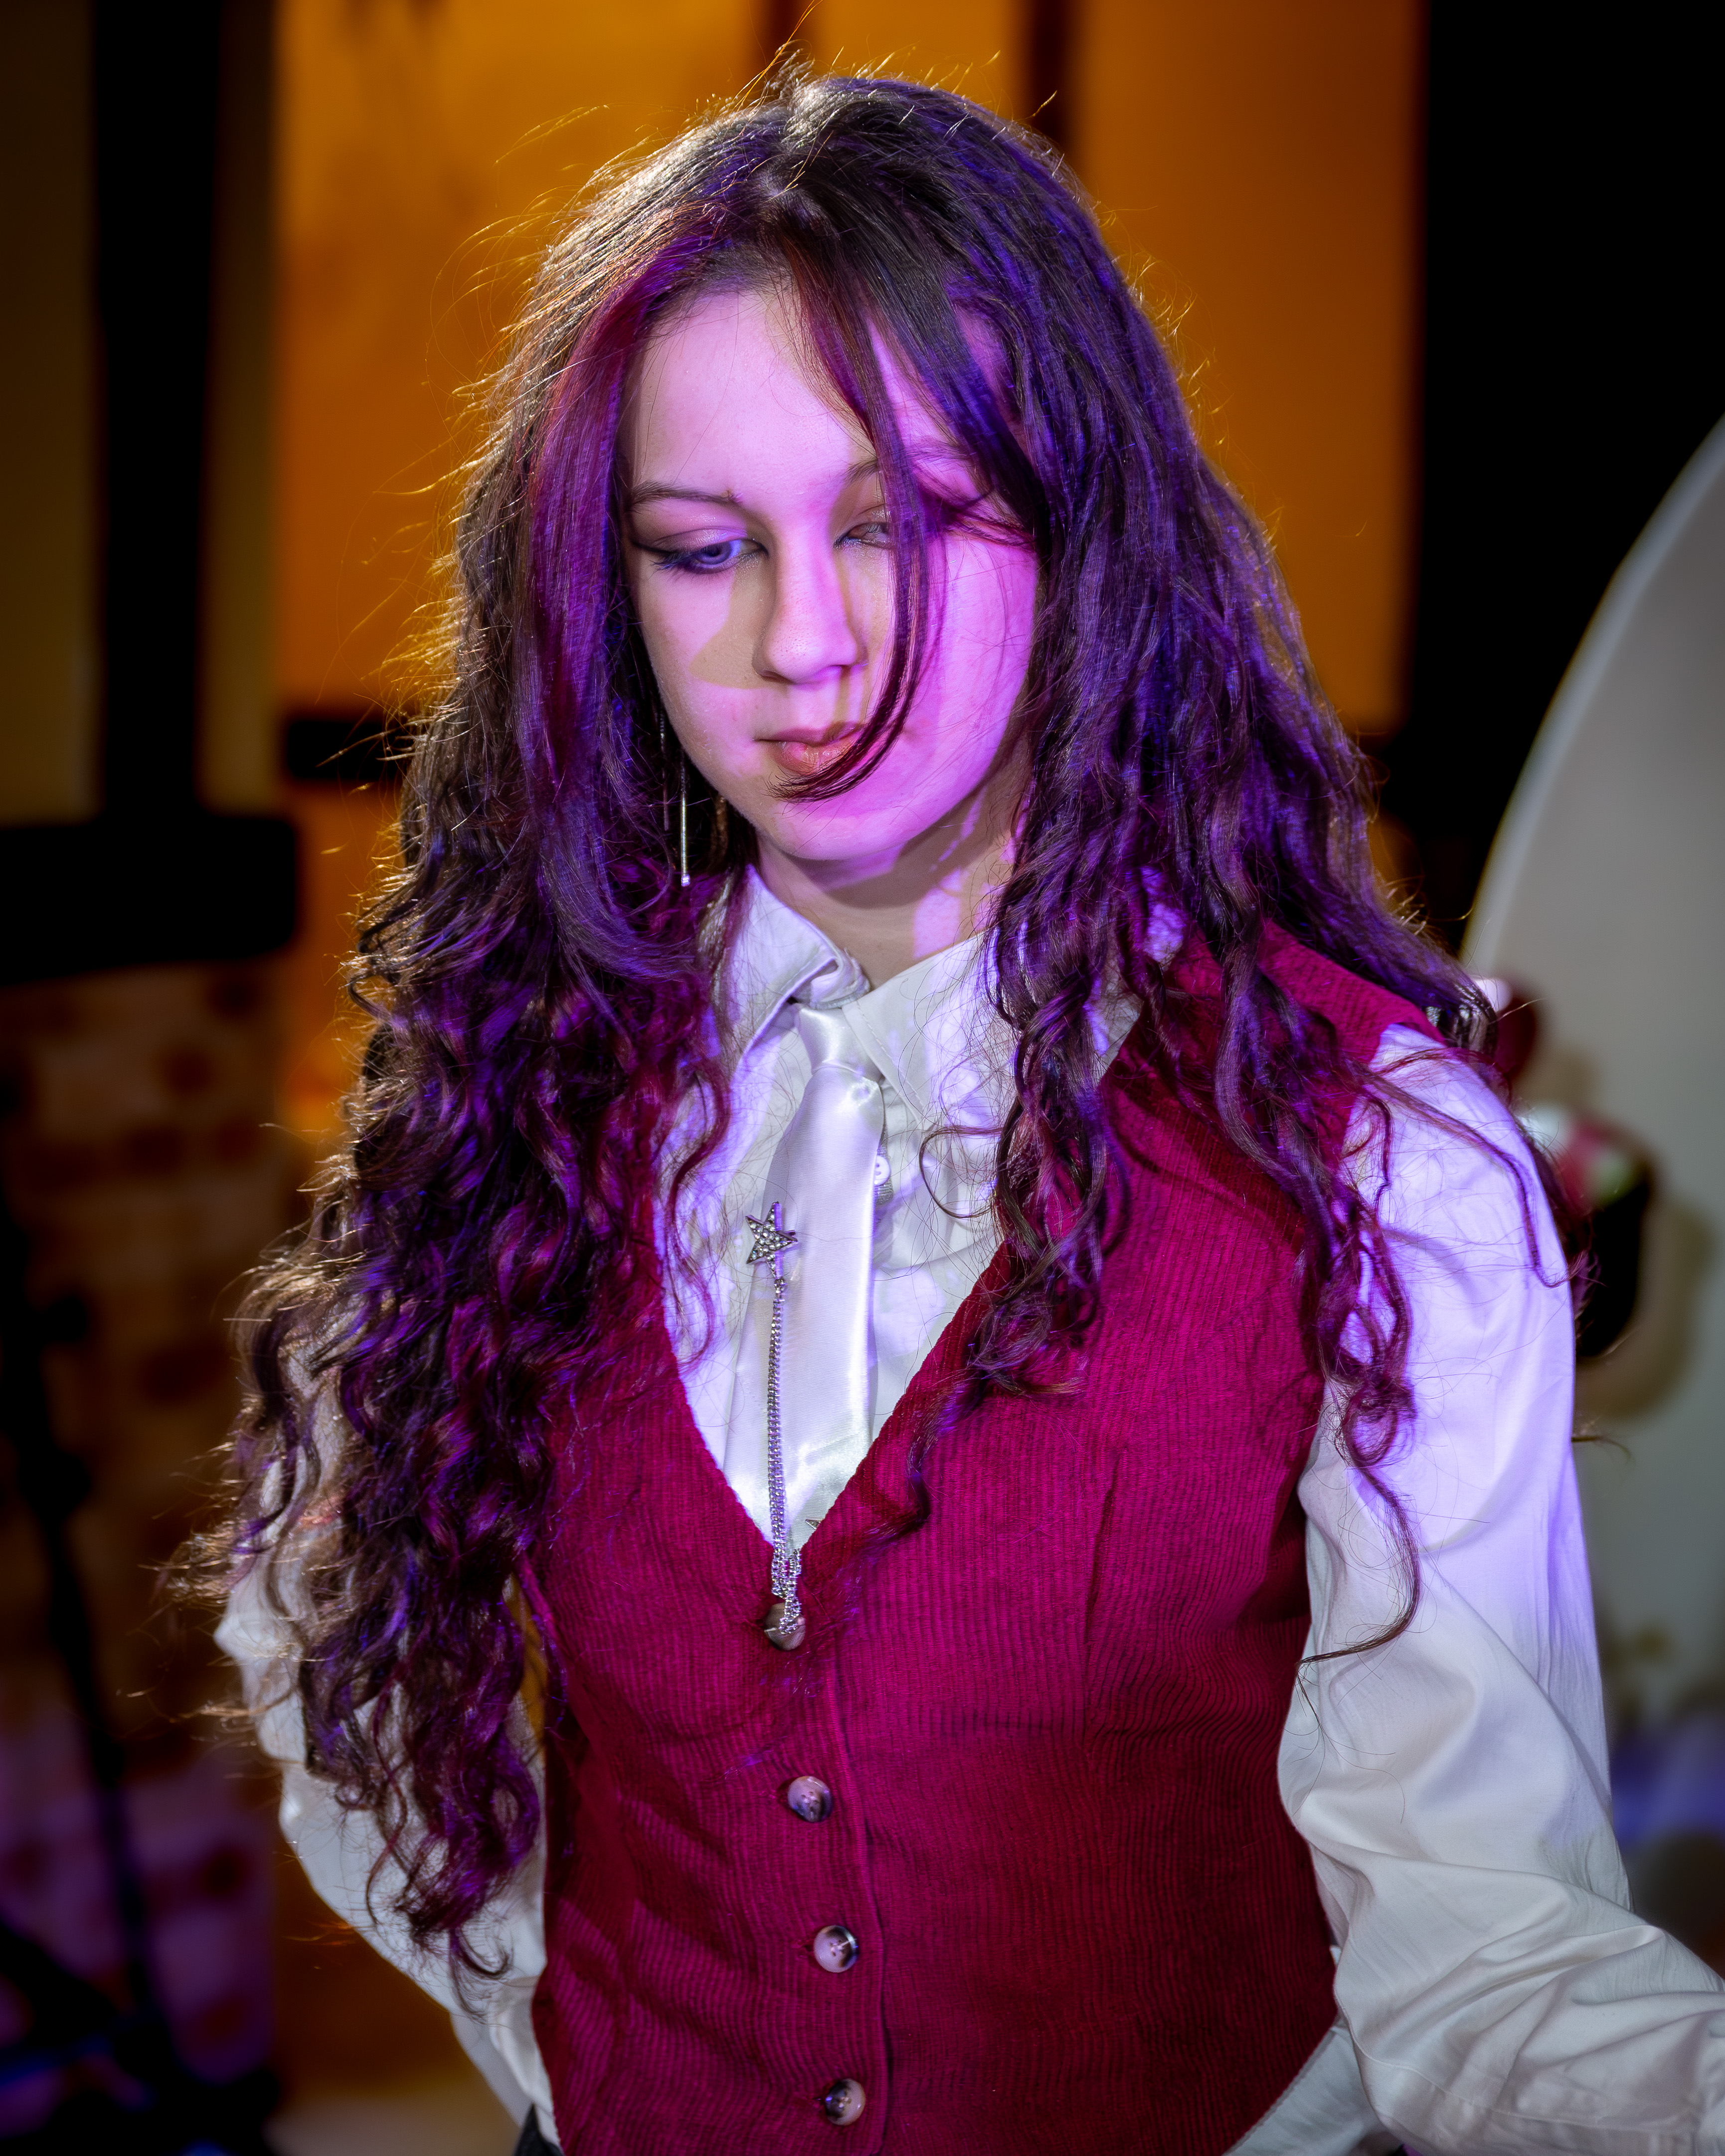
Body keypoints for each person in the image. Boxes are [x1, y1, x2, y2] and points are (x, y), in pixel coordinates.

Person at [216, 73, 1725, 2156]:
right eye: (702, 548)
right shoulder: (517, 1096)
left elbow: (1485, 1947)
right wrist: (569, 2049)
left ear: (1082, 530)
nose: (803, 644)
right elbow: (346, 1657)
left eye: (903, 520)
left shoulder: (1372, 1155)